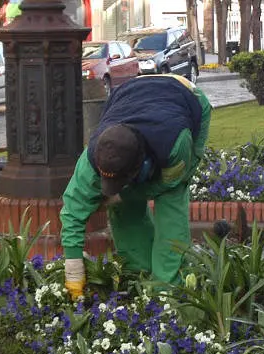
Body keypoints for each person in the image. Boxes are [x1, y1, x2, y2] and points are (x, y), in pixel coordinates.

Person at [60, 74, 211, 300]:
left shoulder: (174, 145)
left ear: (141, 166)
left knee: (171, 207)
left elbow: (169, 182)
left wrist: (125, 195)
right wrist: (73, 274)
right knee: (121, 208)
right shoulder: (94, 157)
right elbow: (72, 212)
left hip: (185, 96)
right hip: (130, 94)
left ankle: (167, 290)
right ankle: (139, 275)